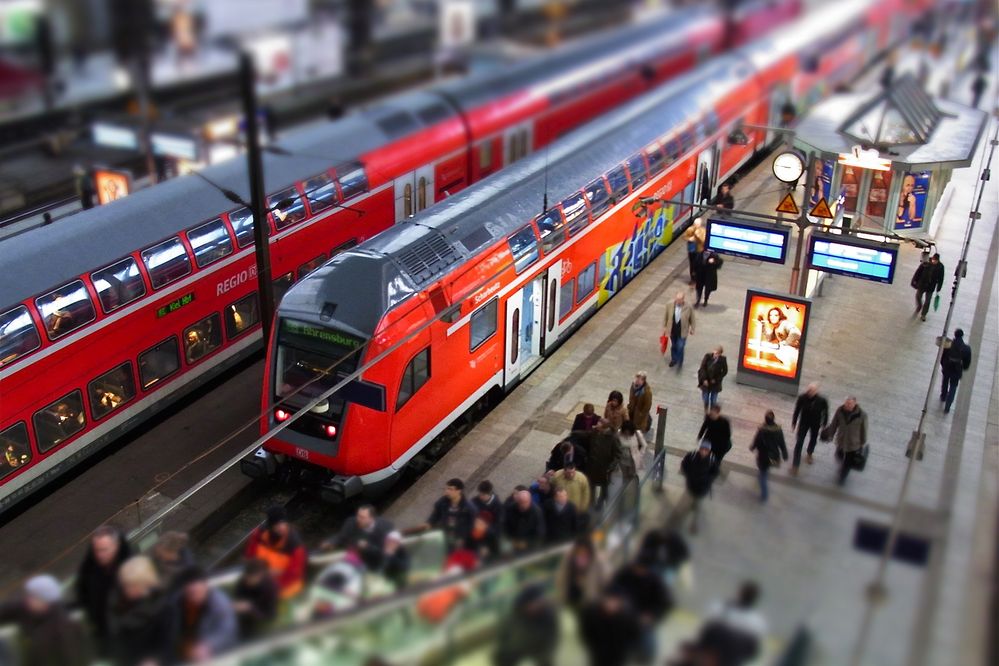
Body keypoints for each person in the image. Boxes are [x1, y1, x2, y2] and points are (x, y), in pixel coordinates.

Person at [0, 574, 90, 666]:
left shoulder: (64, 630)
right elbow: (9, 609)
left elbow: (72, 659)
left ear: (45, 601)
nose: (27, 600)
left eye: (32, 597)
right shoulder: (30, 609)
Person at [610, 551, 674, 664]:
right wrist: (615, 600)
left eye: (642, 569)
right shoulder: (626, 572)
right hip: (624, 614)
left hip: (644, 619)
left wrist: (652, 616)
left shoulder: (656, 581)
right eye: (637, 567)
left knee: (646, 646)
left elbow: (666, 604)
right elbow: (614, 586)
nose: (638, 571)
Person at [76, 524, 132, 652]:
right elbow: (84, 596)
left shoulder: (131, 569)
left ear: (116, 546)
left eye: (104, 550)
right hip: (105, 634)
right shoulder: (89, 570)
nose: (100, 555)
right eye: (97, 550)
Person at [166, 566, 238, 663]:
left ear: (205, 587)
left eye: (199, 592)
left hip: (209, 653)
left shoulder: (220, 603)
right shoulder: (175, 603)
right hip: (179, 652)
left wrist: (208, 645)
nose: (196, 597)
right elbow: (166, 633)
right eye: (191, 593)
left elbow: (228, 631)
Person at [108, 556, 170, 666]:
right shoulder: (117, 604)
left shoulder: (161, 605)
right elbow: (115, 640)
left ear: (146, 583)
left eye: (134, 585)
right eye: (126, 585)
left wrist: (155, 659)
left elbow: (168, 639)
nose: (128, 589)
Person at [244, 505, 307, 599]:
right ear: (271, 526)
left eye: (283, 523)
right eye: (277, 525)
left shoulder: (294, 545)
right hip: (260, 580)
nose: (281, 527)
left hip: (285, 588)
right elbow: (250, 555)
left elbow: (294, 574)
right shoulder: (259, 533)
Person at [492, 584, 560, 666]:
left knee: (545, 661)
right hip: (515, 647)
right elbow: (502, 636)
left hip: (538, 646)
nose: (536, 606)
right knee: (500, 657)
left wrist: (544, 656)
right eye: (532, 603)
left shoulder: (547, 614)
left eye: (539, 602)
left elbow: (552, 638)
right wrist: (503, 649)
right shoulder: (513, 616)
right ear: (525, 604)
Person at [703, 581, 768, 665]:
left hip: (726, 658)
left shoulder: (722, 609)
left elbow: (752, 650)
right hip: (717, 657)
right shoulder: (757, 622)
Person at [579, 587, 641, 666]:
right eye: (608, 600)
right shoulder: (592, 614)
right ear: (603, 600)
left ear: (620, 602)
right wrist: (593, 646)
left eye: (615, 602)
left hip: (619, 653)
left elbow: (634, 635)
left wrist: (626, 649)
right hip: (598, 651)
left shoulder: (627, 617)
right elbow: (586, 632)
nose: (611, 604)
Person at [322, 505, 394, 569]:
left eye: (362, 517)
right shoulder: (351, 521)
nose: (358, 519)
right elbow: (342, 536)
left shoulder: (386, 527)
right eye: (358, 515)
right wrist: (331, 542)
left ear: (372, 518)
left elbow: (385, 552)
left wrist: (368, 546)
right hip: (351, 558)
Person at [418, 478, 477, 552]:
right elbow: (435, 515)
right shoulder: (443, 502)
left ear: (459, 491)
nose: (447, 491)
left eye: (450, 489)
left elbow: (472, 527)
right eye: (446, 489)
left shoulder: (469, 508)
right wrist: (429, 523)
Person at [555, 537, 610, 612]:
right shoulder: (567, 571)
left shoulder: (599, 570)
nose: (582, 557)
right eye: (579, 553)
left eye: (586, 554)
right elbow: (562, 591)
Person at [822, 397, 868, 485]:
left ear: (855, 404)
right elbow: (834, 423)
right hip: (841, 440)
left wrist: (862, 442)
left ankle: (843, 477)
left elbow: (864, 430)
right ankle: (843, 465)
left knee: (848, 461)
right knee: (838, 455)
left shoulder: (862, 415)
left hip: (853, 442)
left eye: (850, 404)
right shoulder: (840, 411)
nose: (847, 405)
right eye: (846, 403)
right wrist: (830, 435)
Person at [232, 558, 278, 639]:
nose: (248, 581)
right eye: (247, 577)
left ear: (259, 576)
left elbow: (270, 615)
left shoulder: (269, 589)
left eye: (251, 578)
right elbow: (238, 595)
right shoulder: (243, 582)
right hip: (239, 619)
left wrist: (250, 608)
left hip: (257, 625)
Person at [749, 410, 788, 503]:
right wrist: (785, 454)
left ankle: (764, 495)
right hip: (773, 456)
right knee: (765, 470)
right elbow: (782, 443)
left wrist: (752, 447)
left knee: (763, 474)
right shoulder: (778, 430)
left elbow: (757, 440)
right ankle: (763, 476)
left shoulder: (762, 429)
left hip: (763, 456)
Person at [680, 440, 718, 534]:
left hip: (703, 487)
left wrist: (708, 479)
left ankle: (694, 525)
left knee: (698, 506)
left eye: (706, 450)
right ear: (699, 449)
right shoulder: (691, 456)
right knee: (693, 496)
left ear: (709, 451)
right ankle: (693, 503)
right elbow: (684, 464)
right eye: (702, 449)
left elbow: (715, 472)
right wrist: (688, 474)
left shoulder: (712, 459)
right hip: (691, 484)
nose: (704, 452)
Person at [791, 383, 829, 472]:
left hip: (815, 424)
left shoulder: (822, 400)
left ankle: (809, 453)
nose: (810, 392)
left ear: (816, 391)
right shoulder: (802, 398)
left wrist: (824, 424)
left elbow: (826, 412)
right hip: (804, 423)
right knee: (799, 442)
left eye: (813, 390)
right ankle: (795, 465)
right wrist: (794, 422)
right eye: (809, 390)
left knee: (813, 439)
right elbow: (797, 410)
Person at [940, 328, 973, 414]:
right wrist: (964, 367)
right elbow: (967, 361)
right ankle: (948, 406)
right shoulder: (966, 348)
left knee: (945, 381)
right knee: (953, 387)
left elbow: (943, 356)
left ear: (954, 335)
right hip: (957, 369)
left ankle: (943, 396)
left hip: (947, 366)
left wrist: (943, 364)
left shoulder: (949, 344)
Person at [503, 488, 546, 554]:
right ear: (517, 501)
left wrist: (526, 544)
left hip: (529, 547)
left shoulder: (537, 512)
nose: (522, 505)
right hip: (513, 543)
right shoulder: (511, 508)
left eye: (525, 502)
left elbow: (539, 534)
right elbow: (506, 525)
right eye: (520, 502)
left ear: (530, 501)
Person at [585, 430, 617, 509]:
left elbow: (616, 455)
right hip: (593, 467)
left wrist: (611, 467)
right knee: (592, 484)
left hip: (605, 468)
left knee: (604, 486)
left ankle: (601, 502)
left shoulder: (612, 439)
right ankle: (592, 501)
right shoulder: (594, 435)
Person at [664, 291, 695, 369]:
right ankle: (674, 359)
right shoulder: (669, 304)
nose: (677, 301)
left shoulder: (688, 307)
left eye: (679, 300)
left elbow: (692, 318)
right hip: (672, 330)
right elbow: (666, 316)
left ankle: (680, 360)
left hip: (682, 331)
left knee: (680, 346)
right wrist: (665, 327)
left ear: (683, 300)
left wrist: (692, 328)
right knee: (674, 345)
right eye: (676, 299)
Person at [910, 253, 944, 321]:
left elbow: (941, 278)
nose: (934, 261)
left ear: (938, 260)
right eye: (933, 260)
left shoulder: (940, 267)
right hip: (922, 284)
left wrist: (938, 288)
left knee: (927, 301)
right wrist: (914, 281)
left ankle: (923, 314)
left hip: (931, 286)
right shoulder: (926, 263)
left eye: (935, 261)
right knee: (918, 296)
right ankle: (919, 306)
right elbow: (918, 272)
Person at [697, 346, 728, 412]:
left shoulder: (723, 360)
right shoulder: (707, 356)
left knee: (713, 400)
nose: (715, 354)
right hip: (706, 381)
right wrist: (704, 379)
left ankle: (711, 412)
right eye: (715, 352)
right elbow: (702, 368)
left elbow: (725, 371)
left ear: (720, 354)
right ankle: (706, 409)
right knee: (705, 398)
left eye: (717, 353)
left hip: (715, 383)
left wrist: (717, 379)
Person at [685, 219, 706, 284]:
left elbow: (703, 241)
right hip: (691, 250)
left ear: (700, 225)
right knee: (692, 264)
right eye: (695, 224)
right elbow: (685, 237)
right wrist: (689, 239)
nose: (695, 226)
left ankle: (699, 278)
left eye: (697, 225)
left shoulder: (703, 231)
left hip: (699, 250)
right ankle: (693, 279)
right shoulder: (690, 229)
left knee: (698, 264)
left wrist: (698, 236)